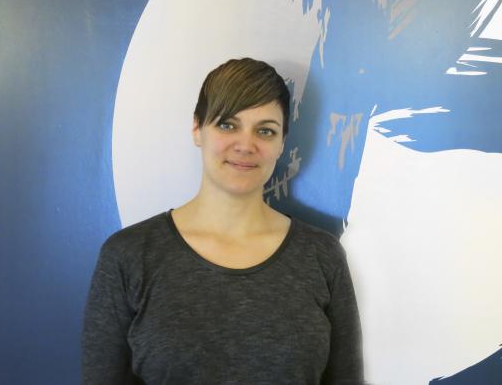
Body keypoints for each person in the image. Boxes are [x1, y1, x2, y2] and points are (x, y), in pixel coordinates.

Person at [82, 58, 363, 384]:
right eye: (228, 125)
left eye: (265, 131)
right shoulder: (128, 256)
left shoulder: (322, 257)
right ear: (196, 129)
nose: (245, 145)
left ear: (282, 143)